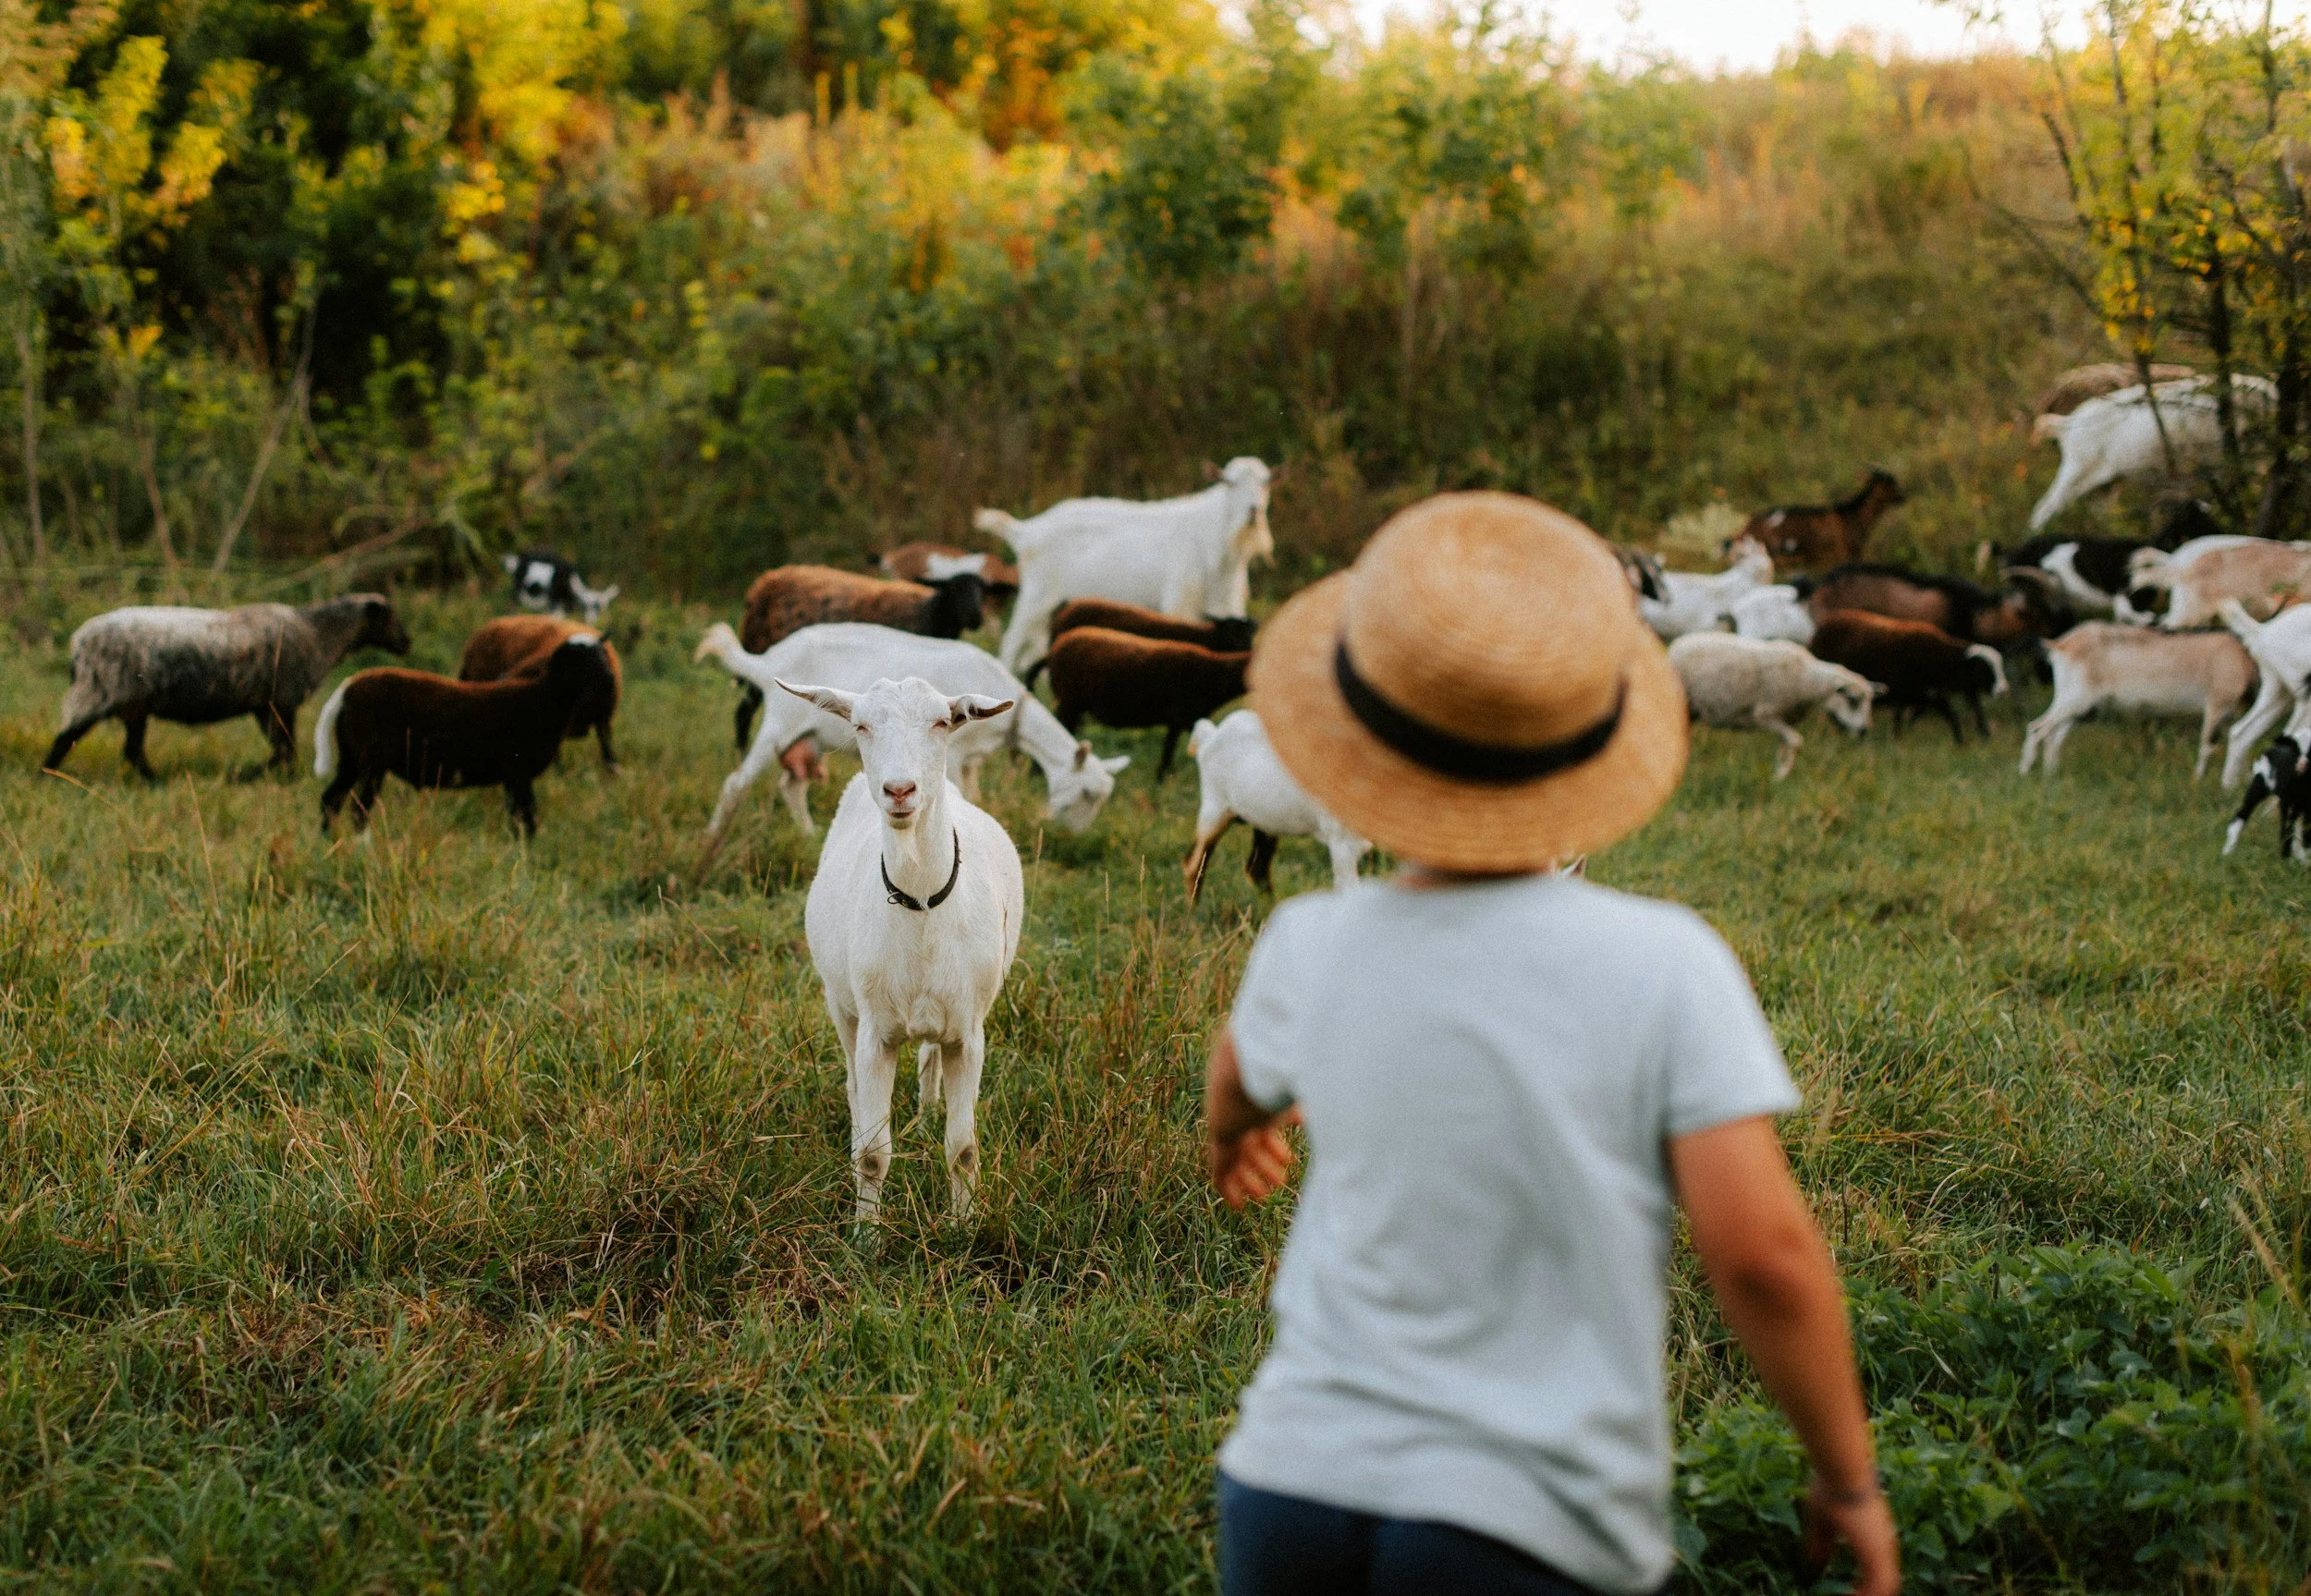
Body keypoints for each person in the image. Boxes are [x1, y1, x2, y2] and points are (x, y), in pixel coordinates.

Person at [1203, 493, 1899, 1596]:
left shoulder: (1310, 938)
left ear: (1365, 732)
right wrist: (1846, 1476)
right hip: (1529, 1516)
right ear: (1592, 733)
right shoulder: (1664, 962)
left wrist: (1234, 1133)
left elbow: (1235, 1073)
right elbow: (1763, 1254)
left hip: (1288, 1484)